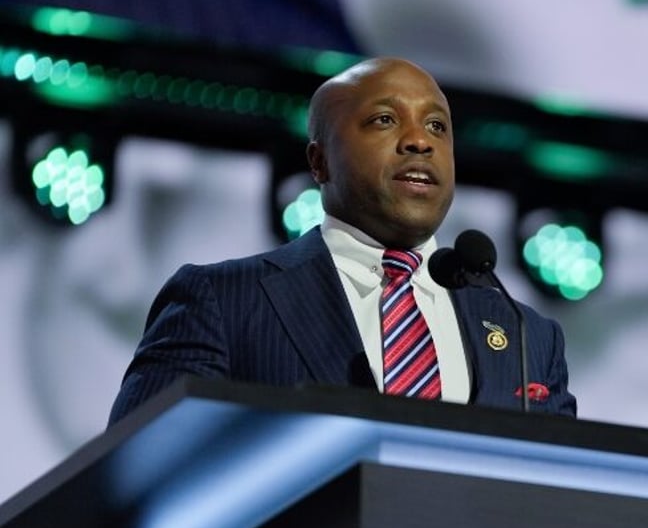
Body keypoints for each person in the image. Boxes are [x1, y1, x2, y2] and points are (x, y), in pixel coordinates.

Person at [108, 57, 577, 425]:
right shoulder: (224, 302)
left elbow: (565, 504)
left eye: (437, 126)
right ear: (320, 162)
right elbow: (135, 478)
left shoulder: (526, 336)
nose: (419, 141)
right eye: (384, 120)